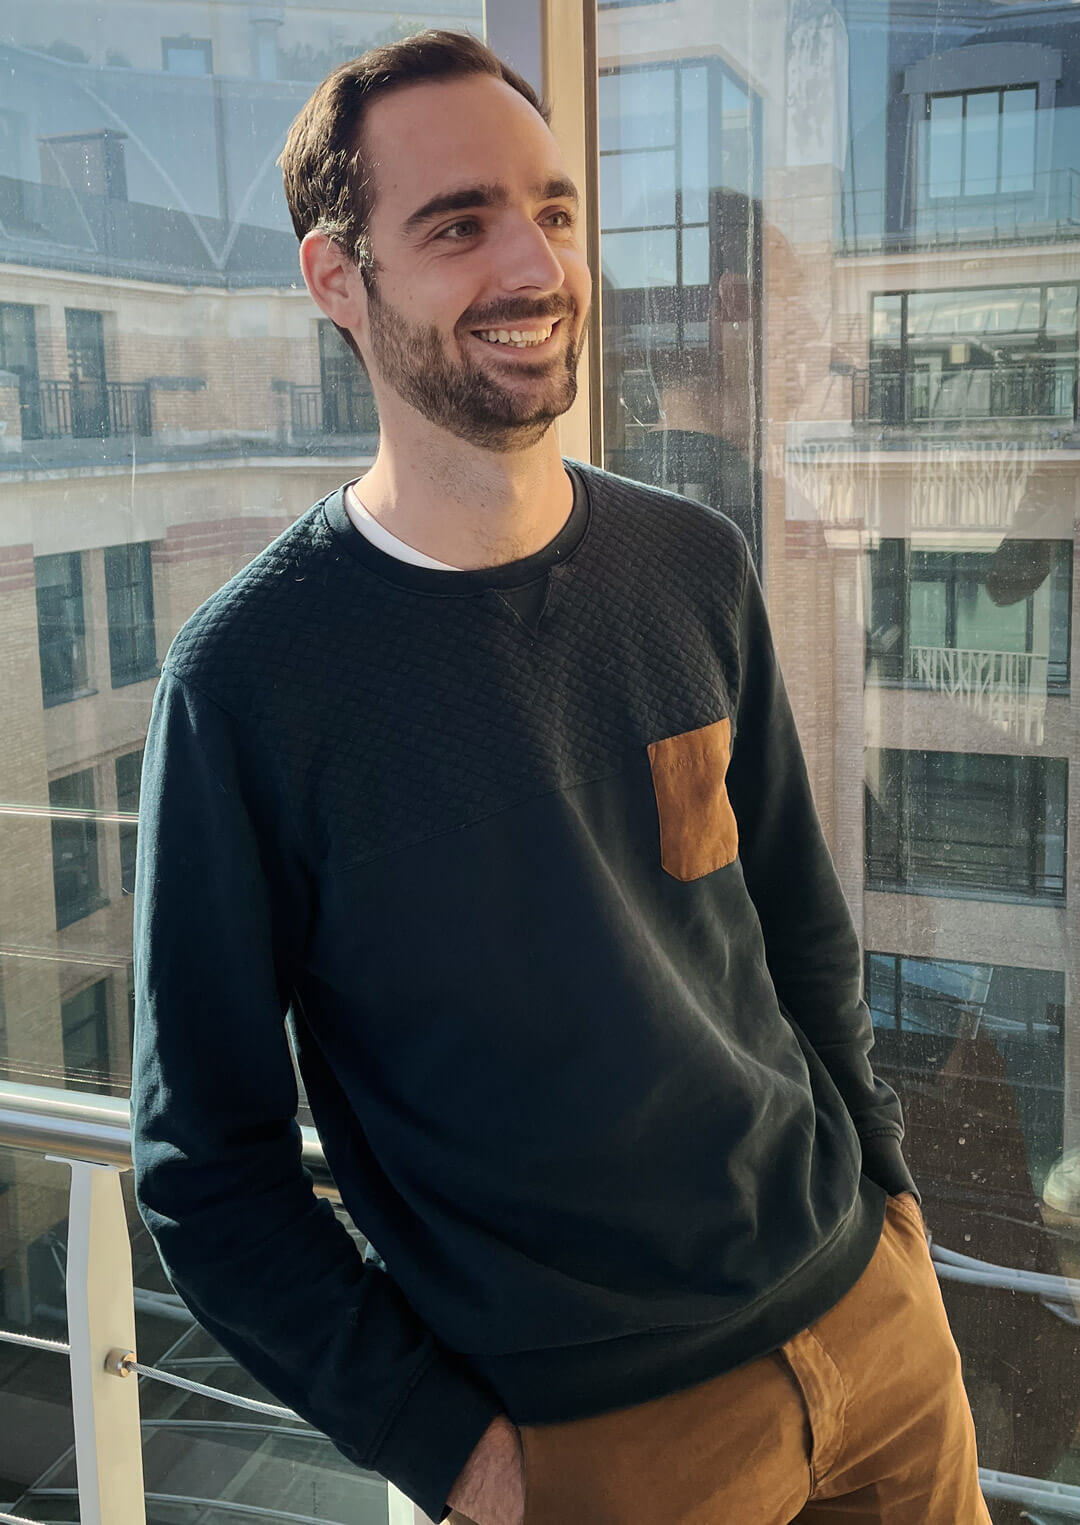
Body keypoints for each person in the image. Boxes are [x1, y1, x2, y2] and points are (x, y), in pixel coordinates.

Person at [130, 29, 993, 1525]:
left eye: (553, 210)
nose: (534, 266)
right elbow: (205, 1169)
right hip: (602, 1446)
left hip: (874, 1323)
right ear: (337, 279)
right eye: (457, 225)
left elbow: (796, 930)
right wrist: (468, 1463)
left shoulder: (692, 563)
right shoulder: (249, 682)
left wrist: (890, 1203)